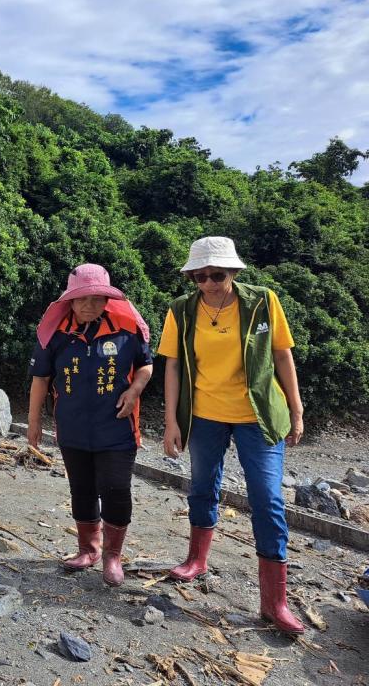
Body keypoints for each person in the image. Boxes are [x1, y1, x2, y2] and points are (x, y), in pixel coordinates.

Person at [158, 236, 306, 635]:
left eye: (216, 274)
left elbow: (281, 354)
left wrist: (296, 407)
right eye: (199, 276)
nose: (208, 282)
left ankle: (275, 602)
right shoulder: (182, 310)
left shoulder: (262, 301)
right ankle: (196, 560)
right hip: (205, 414)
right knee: (203, 486)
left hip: (257, 414)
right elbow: (172, 367)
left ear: (234, 271)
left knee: (268, 498)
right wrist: (171, 421)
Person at [28, 264, 153, 586]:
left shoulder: (126, 329)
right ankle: (88, 549)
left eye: (97, 298)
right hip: (72, 428)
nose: (89, 305)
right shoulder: (54, 334)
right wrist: (33, 425)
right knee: (81, 488)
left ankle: (113, 556)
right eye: (82, 298)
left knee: (116, 488)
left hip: (117, 428)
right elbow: (41, 380)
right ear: (69, 300)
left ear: (107, 300)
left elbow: (146, 367)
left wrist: (134, 389)